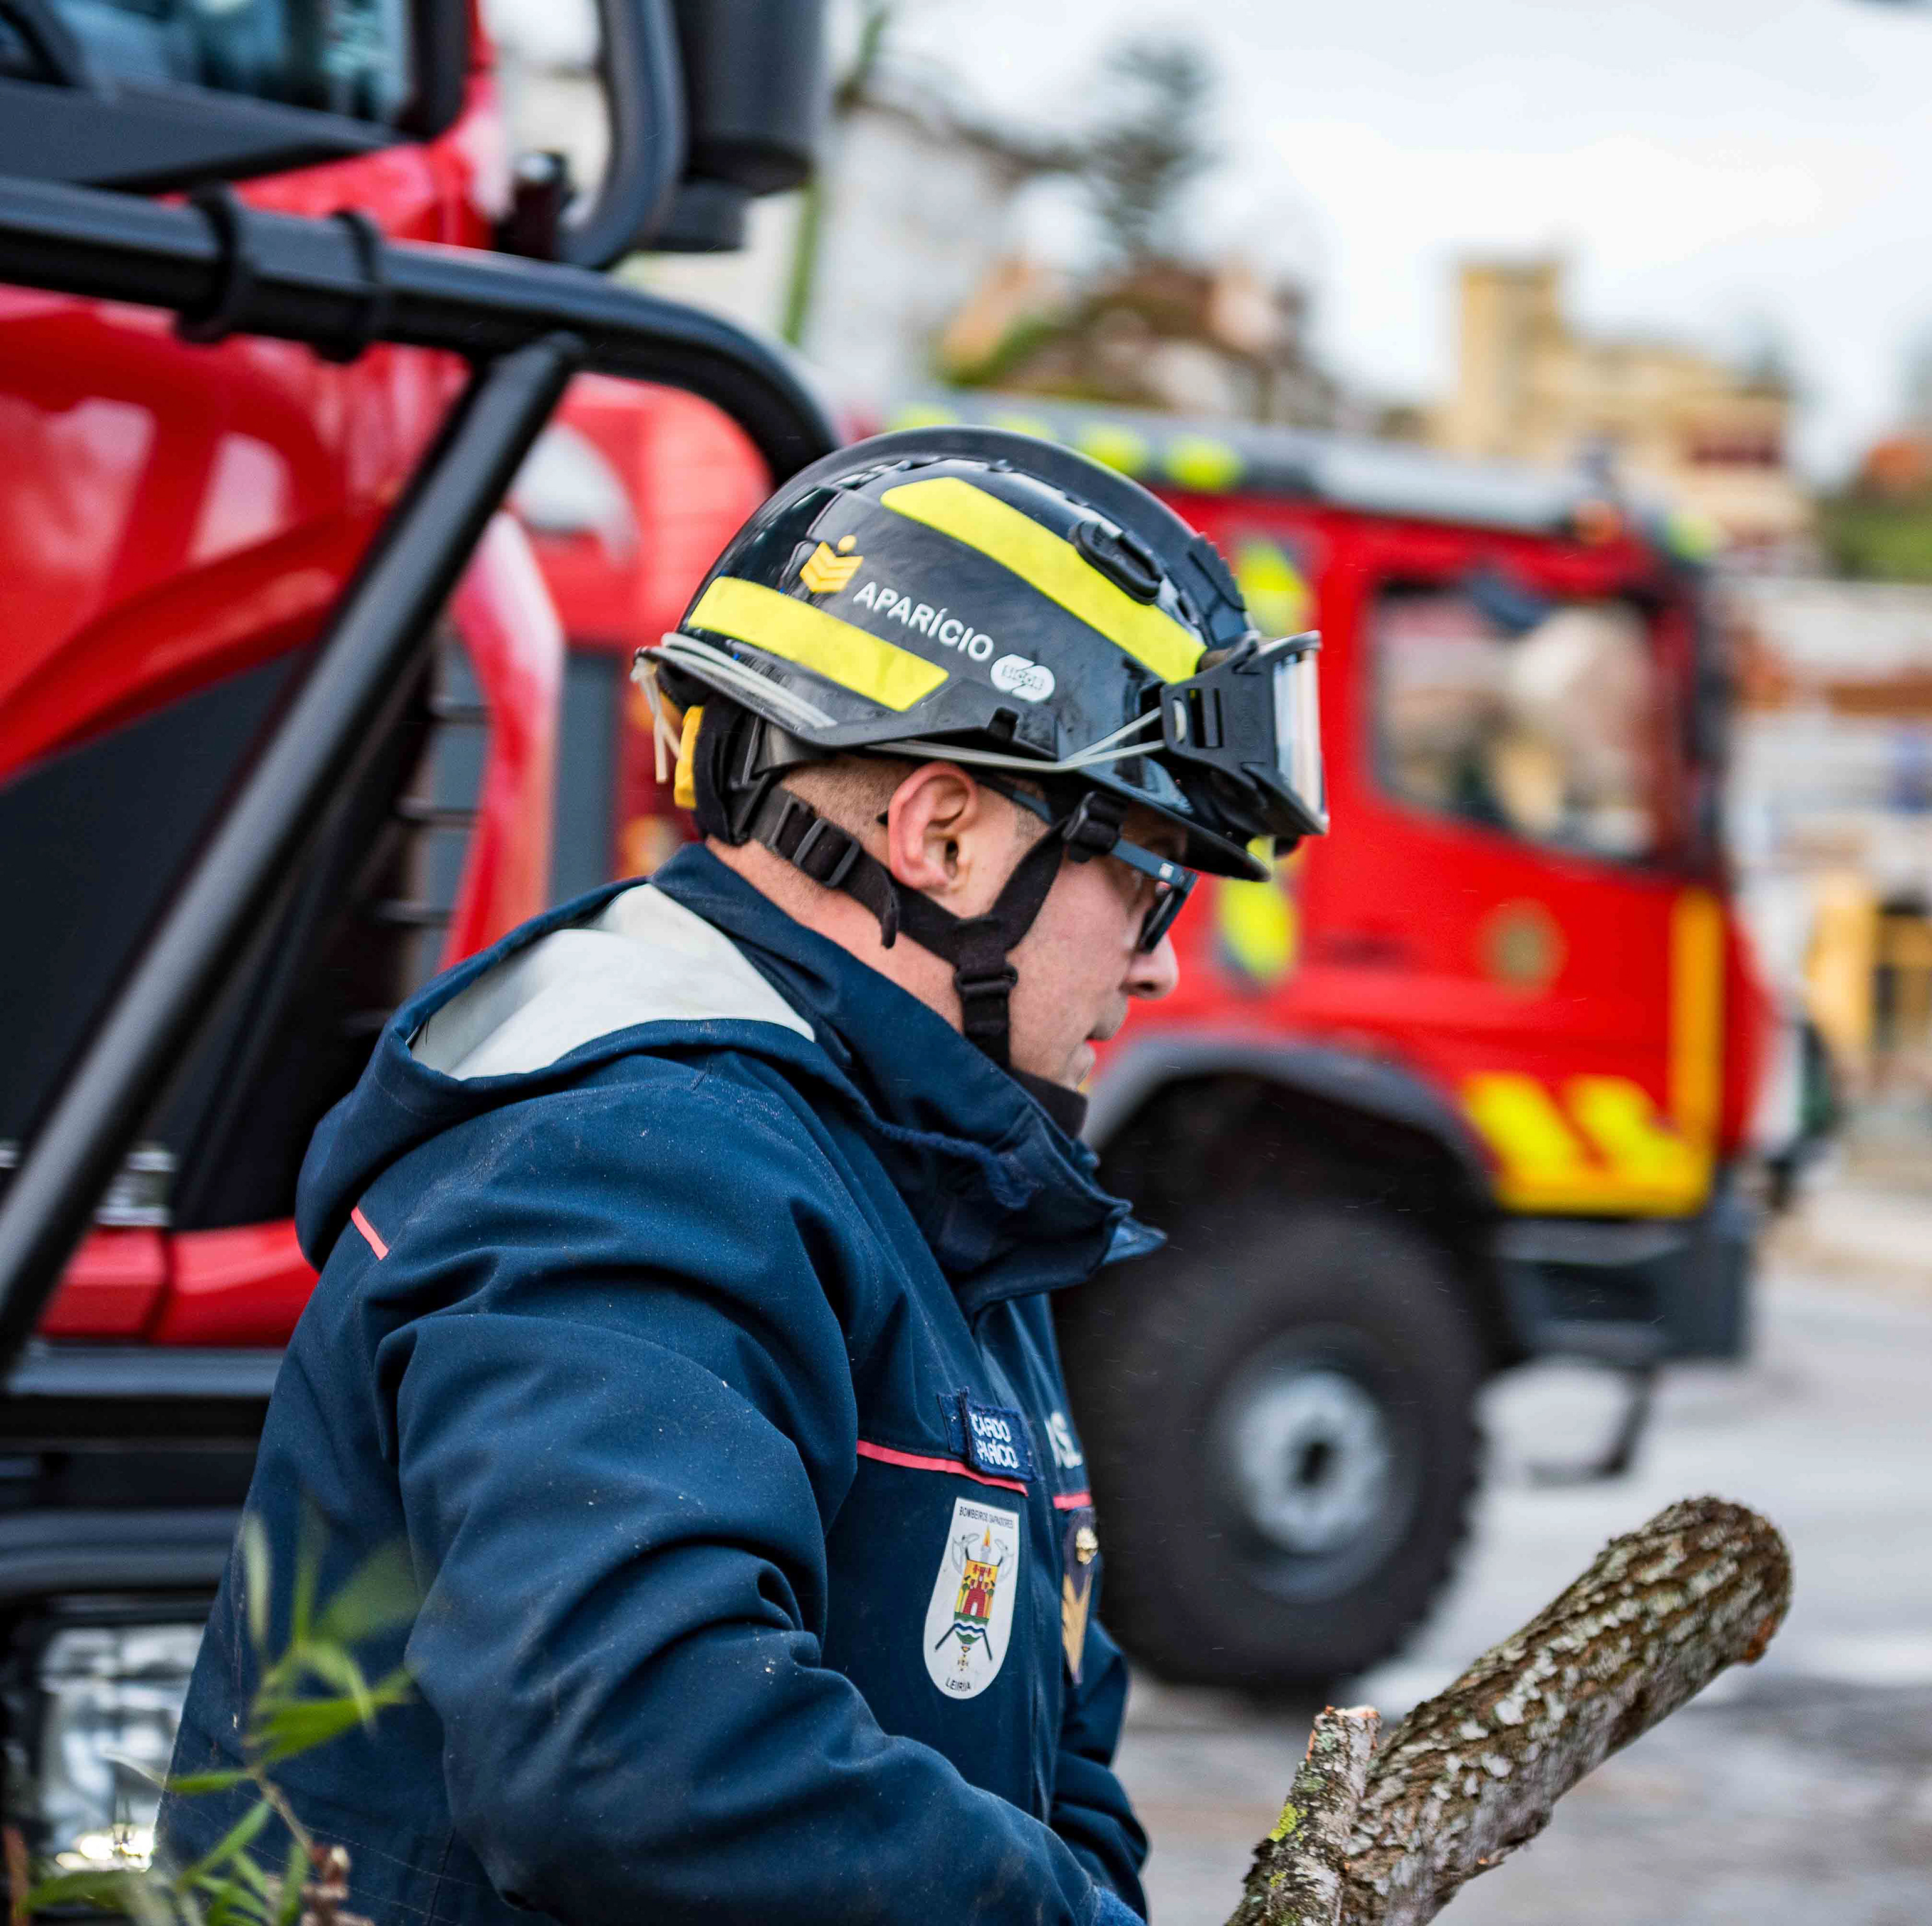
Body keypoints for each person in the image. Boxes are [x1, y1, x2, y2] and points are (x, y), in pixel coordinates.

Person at [160, 427, 1329, 1926]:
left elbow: (1056, 1746)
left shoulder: (937, 1186)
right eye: (1149, 876)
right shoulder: (631, 1165)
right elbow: (633, 1752)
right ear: (945, 836)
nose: (1161, 956)